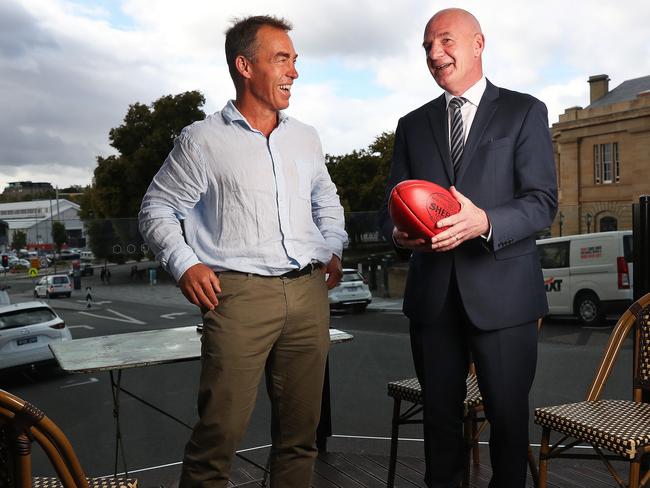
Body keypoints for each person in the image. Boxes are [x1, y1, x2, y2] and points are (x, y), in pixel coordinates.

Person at [138, 15, 347, 488]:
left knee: (300, 438)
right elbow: (157, 208)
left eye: (294, 60)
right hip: (238, 299)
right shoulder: (202, 140)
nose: (294, 71)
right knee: (218, 439)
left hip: (308, 294)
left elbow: (326, 200)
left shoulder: (306, 137)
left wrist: (332, 246)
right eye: (281, 59)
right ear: (245, 66)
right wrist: (185, 262)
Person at [379, 8, 557, 488]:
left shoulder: (525, 111)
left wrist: (485, 221)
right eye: (427, 47)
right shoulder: (412, 124)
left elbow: (542, 204)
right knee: (438, 423)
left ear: (478, 44)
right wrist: (398, 235)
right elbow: (391, 206)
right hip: (433, 298)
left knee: (507, 420)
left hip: (504, 296)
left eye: (445, 41)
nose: (435, 54)